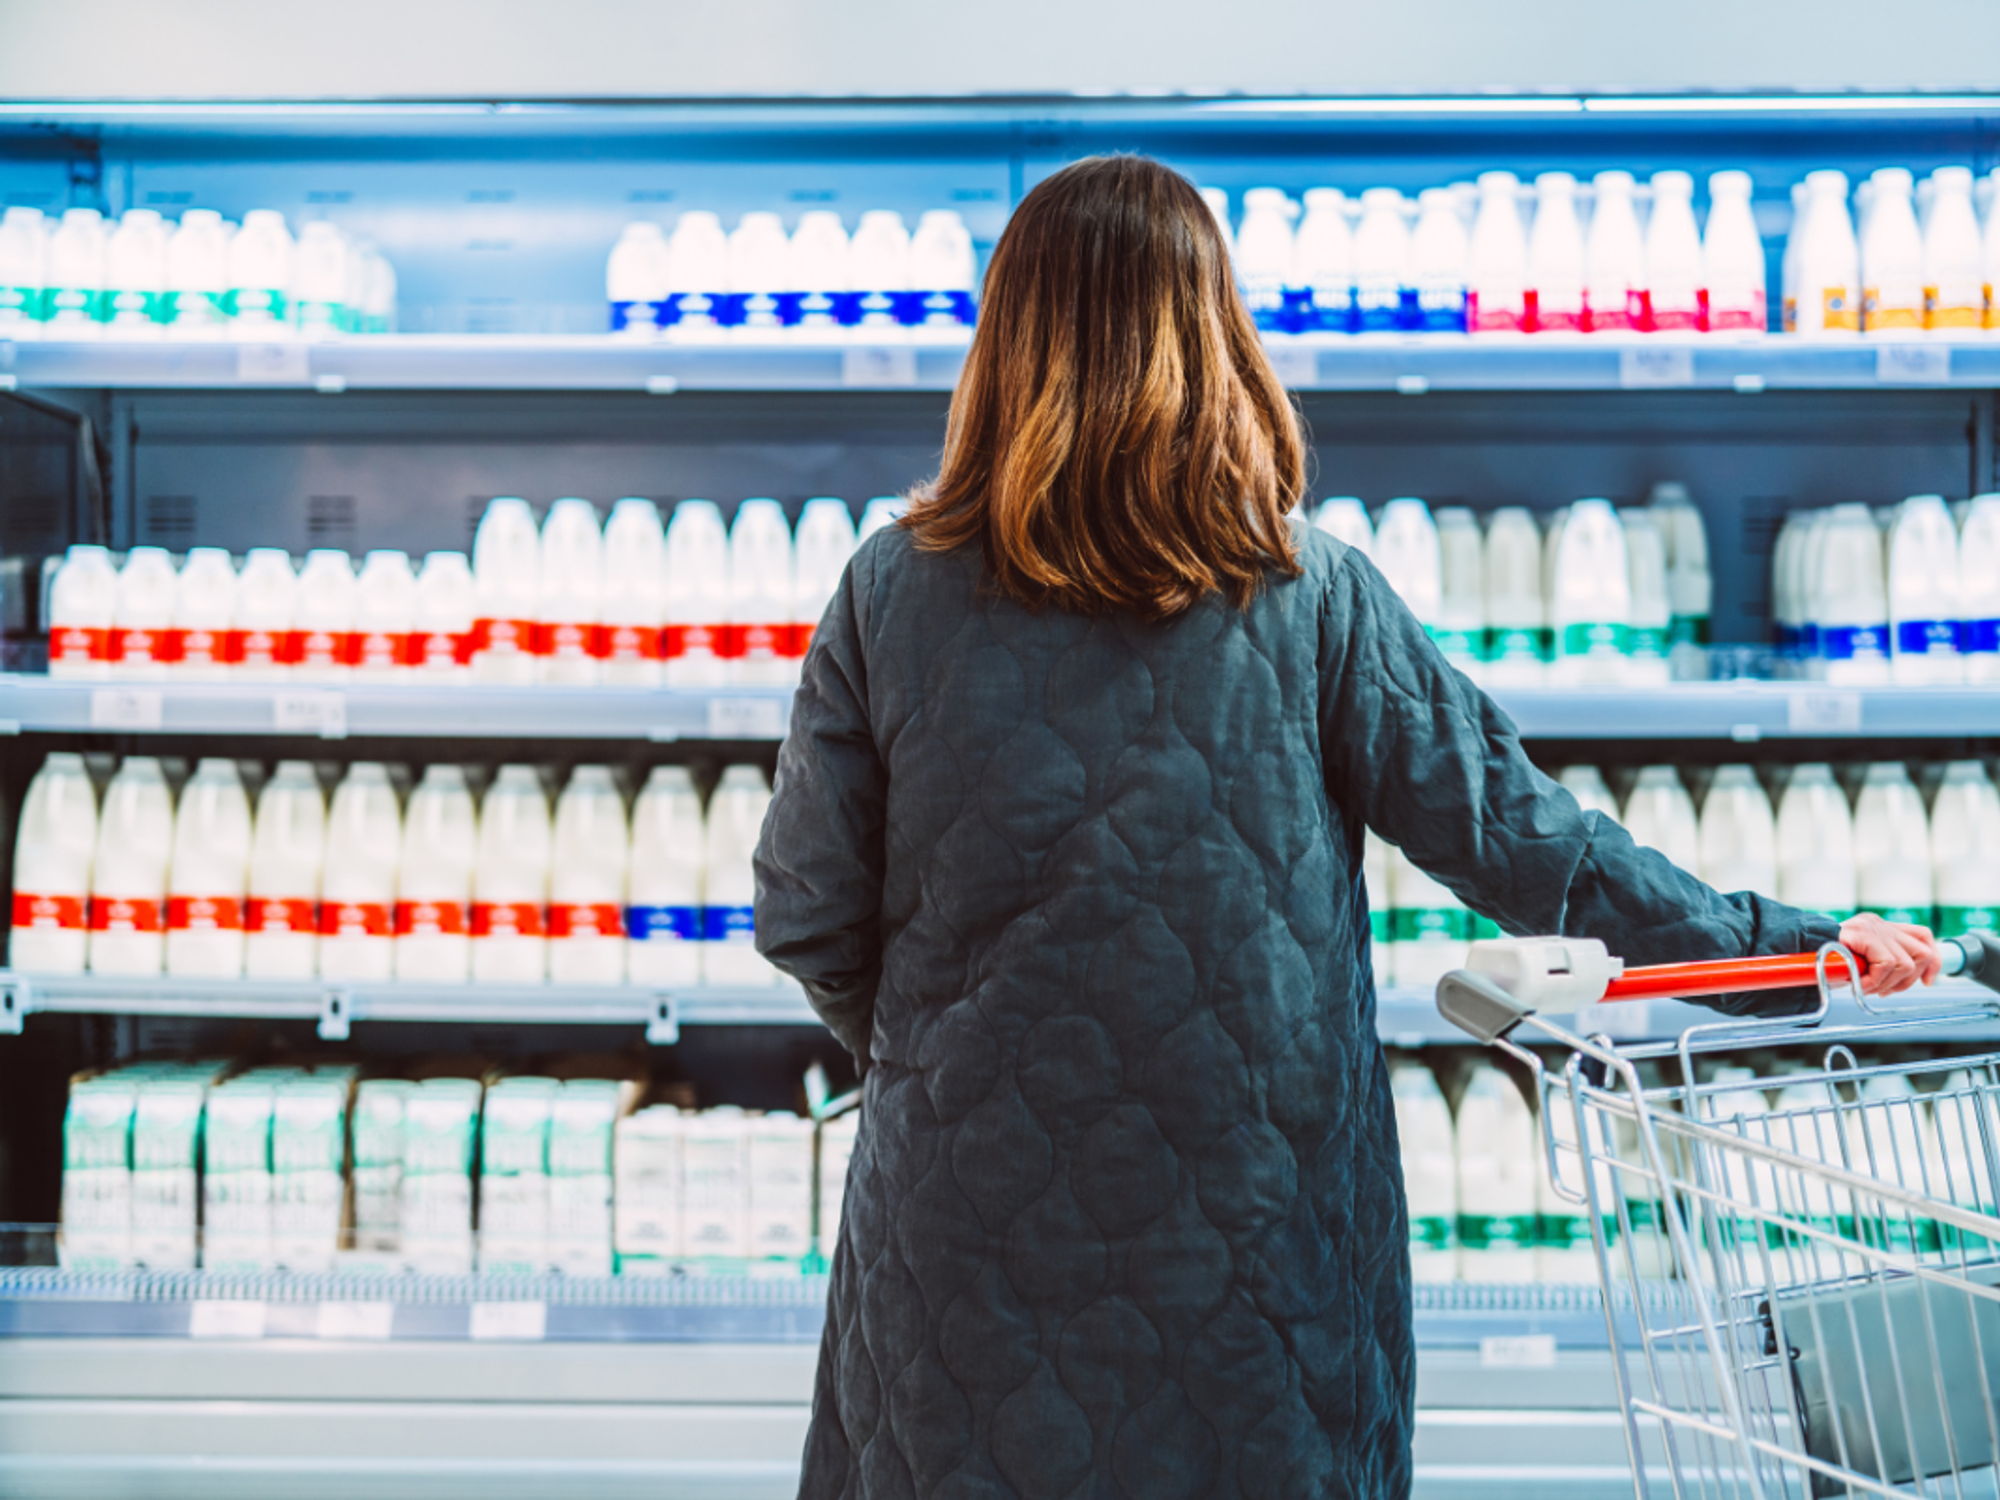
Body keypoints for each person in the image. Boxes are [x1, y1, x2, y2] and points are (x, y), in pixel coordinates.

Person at [753, 154, 1940, 1500]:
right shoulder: (1309, 595)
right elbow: (1528, 847)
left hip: (958, 1258)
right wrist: (1784, 947)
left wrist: (947, 1053)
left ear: (1004, 343)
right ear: (1217, 341)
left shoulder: (888, 593)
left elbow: (804, 910)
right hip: (1259, 1262)